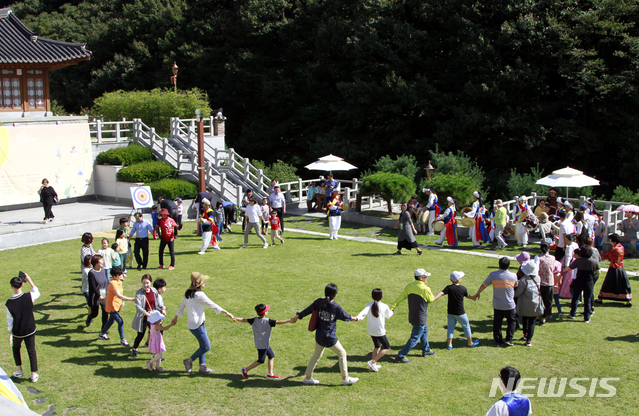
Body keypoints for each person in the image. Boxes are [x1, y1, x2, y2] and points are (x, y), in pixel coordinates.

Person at [296, 283, 359, 385]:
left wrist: (298, 316)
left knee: (316, 356)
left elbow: (307, 310)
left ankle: (307, 378)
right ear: (335, 294)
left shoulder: (319, 302)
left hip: (319, 336)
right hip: (329, 337)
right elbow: (346, 316)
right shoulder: (335, 307)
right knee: (342, 354)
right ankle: (345, 379)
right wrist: (355, 318)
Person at [171, 272, 235, 374]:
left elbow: (181, 306)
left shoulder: (187, 293)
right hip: (198, 325)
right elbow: (212, 304)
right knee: (206, 346)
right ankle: (188, 361)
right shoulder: (200, 295)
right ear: (199, 284)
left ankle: (202, 367)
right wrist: (227, 313)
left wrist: (175, 318)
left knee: (202, 345)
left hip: (193, 325)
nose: (205, 282)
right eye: (203, 281)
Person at [235, 304, 296, 379]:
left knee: (271, 356)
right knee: (261, 360)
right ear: (264, 313)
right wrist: (289, 321)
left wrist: (235, 318)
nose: (267, 311)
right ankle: (245, 369)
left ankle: (270, 373)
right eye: (267, 310)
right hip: (262, 345)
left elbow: (244, 319)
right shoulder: (268, 321)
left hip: (263, 343)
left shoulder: (254, 320)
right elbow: (278, 322)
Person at [390, 269, 436, 363]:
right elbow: (431, 299)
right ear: (421, 278)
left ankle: (426, 350)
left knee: (424, 330)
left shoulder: (410, 286)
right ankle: (401, 356)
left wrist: (393, 307)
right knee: (415, 338)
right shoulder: (425, 289)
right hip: (420, 317)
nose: (427, 278)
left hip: (412, 315)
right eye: (425, 277)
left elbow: (401, 297)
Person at [473, 257, 518, 347]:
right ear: (509, 266)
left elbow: (484, 284)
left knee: (497, 323)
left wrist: (478, 293)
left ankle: (498, 341)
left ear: (499, 265)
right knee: (512, 321)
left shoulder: (493, 275)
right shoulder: (513, 276)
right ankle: (509, 339)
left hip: (497, 304)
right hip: (509, 304)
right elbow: (516, 285)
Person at [6, 272, 40, 383]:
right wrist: (30, 280)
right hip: (30, 329)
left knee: (16, 349)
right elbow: (37, 292)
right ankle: (33, 374)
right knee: (31, 350)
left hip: (17, 331)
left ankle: (19, 370)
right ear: (22, 285)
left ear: (12, 287)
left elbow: (10, 320)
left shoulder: (9, 303)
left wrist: (10, 334)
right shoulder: (29, 296)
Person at [432, 271, 479, 350]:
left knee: (450, 327)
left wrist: (433, 299)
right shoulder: (463, 288)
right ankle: (470, 342)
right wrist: (474, 297)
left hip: (451, 312)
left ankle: (449, 345)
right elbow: (468, 296)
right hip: (460, 312)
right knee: (466, 326)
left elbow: (441, 293)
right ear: (458, 280)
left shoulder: (449, 288)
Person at [354, 288, 394, 371]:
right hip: (379, 331)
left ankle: (373, 366)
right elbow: (389, 315)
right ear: (382, 296)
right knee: (387, 347)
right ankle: (373, 361)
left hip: (371, 330)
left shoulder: (369, 305)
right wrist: (392, 311)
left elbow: (363, 313)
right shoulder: (384, 306)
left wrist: (357, 318)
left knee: (377, 346)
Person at [98, 266, 134, 346]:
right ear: (115, 275)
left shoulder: (119, 282)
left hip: (117, 306)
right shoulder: (113, 283)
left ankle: (102, 334)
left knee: (111, 320)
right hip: (112, 307)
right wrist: (132, 299)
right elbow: (119, 295)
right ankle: (122, 339)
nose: (121, 275)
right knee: (120, 322)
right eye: (120, 274)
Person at [130, 274, 163, 359]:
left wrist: (162, 310)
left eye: (147, 283)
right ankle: (135, 349)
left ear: (151, 283)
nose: (146, 285)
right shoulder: (139, 293)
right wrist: (146, 313)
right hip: (144, 318)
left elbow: (157, 303)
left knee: (158, 334)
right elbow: (138, 306)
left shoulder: (154, 291)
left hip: (154, 317)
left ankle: (157, 354)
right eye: (144, 283)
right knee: (140, 335)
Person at [596, 233, 632, 306]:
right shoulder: (621, 247)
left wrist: (597, 257)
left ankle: (600, 298)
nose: (611, 243)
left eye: (611, 241)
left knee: (608, 284)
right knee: (624, 284)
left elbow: (606, 256)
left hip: (613, 268)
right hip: (621, 268)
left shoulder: (614, 249)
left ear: (614, 241)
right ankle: (628, 300)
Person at [565, 246, 599, 322]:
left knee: (575, 298)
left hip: (579, 281)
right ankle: (587, 317)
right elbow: (598, 272)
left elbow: (570, 267)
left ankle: (572, 314)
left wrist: (564, 271)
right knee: (587, 300)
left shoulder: (578, 261)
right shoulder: (594, 261)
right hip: (589, 282)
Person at [515, 260, 544, 347]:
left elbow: (517, 293)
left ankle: (525, 334)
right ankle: (529, 339)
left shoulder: (524, 280)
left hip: (525, 303)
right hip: (535, 303)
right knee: (532, 321)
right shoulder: (538, 278)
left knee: (525, 319)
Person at [86, 254, 109, 329]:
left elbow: (106, 282)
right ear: (96, 263)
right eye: (101, 261)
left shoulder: (102, 270)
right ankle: (90, 317)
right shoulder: (91, 273)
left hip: (104, 295)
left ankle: (104, 328)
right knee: (95, 313)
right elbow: (93, 287)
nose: (102, 262)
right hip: (95, 296)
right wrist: (99, 296)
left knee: (106, 312)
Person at [536, 242, 555, 325]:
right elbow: (553, 268)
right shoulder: (553, 258)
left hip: (540, 282)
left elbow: (536, 269)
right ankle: (544, 318)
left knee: (538, 300)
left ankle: (537, 317)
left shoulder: (538, 257)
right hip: (549, 282)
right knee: (548, 301)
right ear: (549, 249)